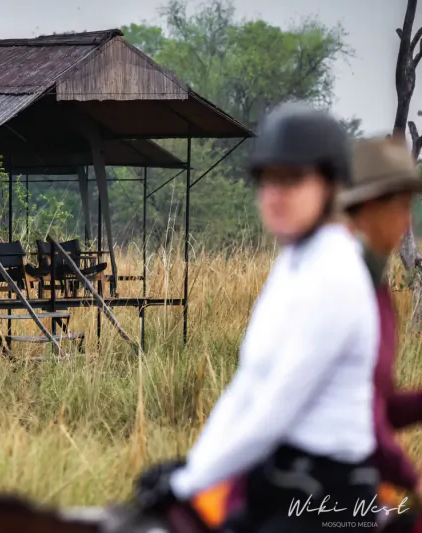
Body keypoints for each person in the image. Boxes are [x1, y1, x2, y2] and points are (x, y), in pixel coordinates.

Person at [134, 101, 381, 533]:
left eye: (292, 180)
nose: (274, 195)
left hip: (328, 498)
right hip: (277, 480)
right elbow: (247, 386)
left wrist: (188, 482)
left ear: (331, 184)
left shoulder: (336, 274)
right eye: (266, 180)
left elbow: (274, 408)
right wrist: (193, 470)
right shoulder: (292, 263)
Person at [338, 137, 422, 518]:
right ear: (370, 206)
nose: (408, 222)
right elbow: (359, 414)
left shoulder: (378, 289)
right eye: (401, 207)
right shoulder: (342, 284)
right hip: (327, 476)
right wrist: (411, 479)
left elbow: (378, 405)